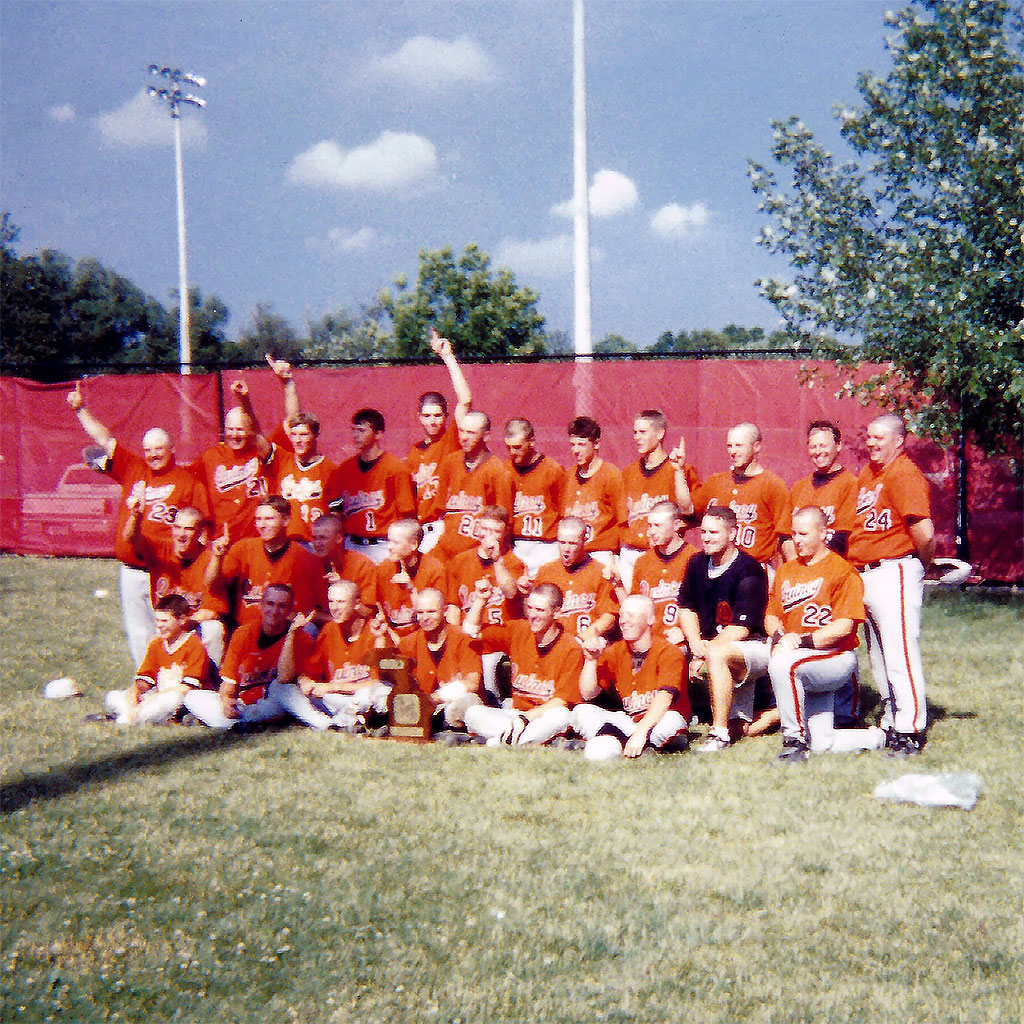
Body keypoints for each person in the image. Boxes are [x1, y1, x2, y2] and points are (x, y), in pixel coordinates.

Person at [66, 380, 210, 665]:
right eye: (149, 450)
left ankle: (175, 686)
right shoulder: (134, 468)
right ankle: (145, 684)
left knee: (168, 628)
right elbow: (105, 440)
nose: (153, 454)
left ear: (171, 449)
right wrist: (81, 409)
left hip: (166, 568)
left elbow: (202, 529)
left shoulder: (188, 482)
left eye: (159, 449)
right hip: (131, 568)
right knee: (137, 632)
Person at [765, 506, 883, 763]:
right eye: (794, 534)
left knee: (783, 663)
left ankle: (793, 741)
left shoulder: (842, 570)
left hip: (835, 657)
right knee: (821, 743)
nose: (796, 540)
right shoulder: (786, 570)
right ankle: (876, 738)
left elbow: (844, 627)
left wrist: (801, 641)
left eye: (804, 534)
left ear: (823, 534)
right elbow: (771, 615)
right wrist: (780, 635)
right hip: (805, 658)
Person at [848, 414, 934, 755]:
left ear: (899, 440)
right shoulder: (870, 473)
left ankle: (911, 728)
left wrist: (919, 567)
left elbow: (924, 533)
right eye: (869, 437)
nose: (871, 443)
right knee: (879, 654)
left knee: (899, 651)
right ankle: (893, 717)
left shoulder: (903, 472)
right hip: (868, 572)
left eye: (879, 437)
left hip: (894, 568)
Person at [677, 506, 773, 751]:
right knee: (741, 729)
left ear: (732, 534)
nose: (706, 538)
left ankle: (718, 734)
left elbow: (741, 629)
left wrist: (704, 652)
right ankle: (676, 717)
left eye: (714, 532)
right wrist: (694, 643)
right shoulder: (697, 562)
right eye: (704, 532)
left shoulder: (749, 569)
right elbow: (686, 608)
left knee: (718, 655)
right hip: (713, 645)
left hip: (753, 647)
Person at [183, 584, 328, 730]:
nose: (274, 611)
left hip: (273, 703)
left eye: (282, 606)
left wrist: (291, 635)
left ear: (290, 610)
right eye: (270, 604)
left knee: (282, 691)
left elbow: (285, 678)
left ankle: (239, 724)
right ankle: (241, 725)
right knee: (192, 697)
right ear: (261, 605)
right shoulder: (243, 633)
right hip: (244, 704)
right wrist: (226, 701)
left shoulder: (300, 638)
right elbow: (228, 682)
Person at [462, 582, 583, 746]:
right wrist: (481, 600)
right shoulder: (518, 630)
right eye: (530, 608)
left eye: (540, 610)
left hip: (543, 717)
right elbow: (471, 631)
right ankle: (516, 739)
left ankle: (500, 741)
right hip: (515, 716)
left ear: (556, 612)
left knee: (561, 715)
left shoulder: (571, 647)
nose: (532, 615)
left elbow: (562, 701)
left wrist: (526, 719)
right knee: (472, 713)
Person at [571, 595, 691, 760]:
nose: (623, 621)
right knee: (581, 711)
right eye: (622, 615)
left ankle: (627, 743)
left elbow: (664, 699)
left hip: (659, 719)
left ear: (650, 619)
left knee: (671, 722)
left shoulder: (669, 652)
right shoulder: (616, 650)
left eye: (631, 615)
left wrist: (641, 732)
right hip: (630, 722)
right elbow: (588, 694)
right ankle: (636, 746)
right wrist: (591, 661)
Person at [124, 500, 228, 665]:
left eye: (188, 529)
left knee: (213, 629)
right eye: (177, 527)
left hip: (192, 628)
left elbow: (213, 611)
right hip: (163, 626)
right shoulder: (161, 549)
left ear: (200, 532)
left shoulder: (209, 558)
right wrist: (135, 516)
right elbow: (131, 538)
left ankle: (212, 685)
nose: (181, 534)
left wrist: (180, 625)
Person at [277, 580, 387, 730]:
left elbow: (377, 683)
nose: (334, 608)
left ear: (356, 604)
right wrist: (306, 682)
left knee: (376, 693)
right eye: (331, 602)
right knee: (281, 689)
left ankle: (346, 719)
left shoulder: (374, 630)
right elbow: (310, 672)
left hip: (363, 697)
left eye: (341, 602)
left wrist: (332, 687)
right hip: (336, 700)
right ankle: (331, 725)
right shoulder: (329, 630)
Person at [205, 495, 323, 628]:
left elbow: (316, 610)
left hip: (288, 632)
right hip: (247, 630)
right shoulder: (243, 548)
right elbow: (213, 585)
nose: (262, 525)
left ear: (286, 520)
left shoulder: (305, 559)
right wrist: (217, 557)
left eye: (269, 519)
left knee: (309, 629)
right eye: (258, 519)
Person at [691, 422, 794, 574]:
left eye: (739, 445)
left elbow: (785, 536)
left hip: (755, 568)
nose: (733, 451)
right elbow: (688, 511)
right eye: (729, 446)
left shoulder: (773, 485)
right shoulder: (716, 482)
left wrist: (790, 574)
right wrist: (679, 472)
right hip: (717, 567)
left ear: (756, 447)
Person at [447, 505, 525, 700]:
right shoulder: (460, 560)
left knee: (490, 687)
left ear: (505, 532)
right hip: (469, 639)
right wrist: (454, 640)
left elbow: (510, 592)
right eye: (486, 529)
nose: (489, 536)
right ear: (477, 528)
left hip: (498, 641)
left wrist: (497, 560)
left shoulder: (513, 562)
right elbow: (453, 606)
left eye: (496, 531)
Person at [406, 329, 473, 553]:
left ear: (445, 416)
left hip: (445, 525)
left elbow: (465, 400)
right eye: (427, 416)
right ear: (419, 418)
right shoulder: (415, 452)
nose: (432, 421)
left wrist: (448, 357)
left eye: (437, 415)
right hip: (422, 529)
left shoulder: (451, 439)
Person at [104, 594, 217, 725]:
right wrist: (134, 693)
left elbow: (187, 687)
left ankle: (129, 718)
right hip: (157, 697)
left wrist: (152, 698)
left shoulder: (194, 645)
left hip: (180, 700)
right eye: (157, 620)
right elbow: (145, 679)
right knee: (113, 696)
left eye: (164, 621)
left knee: (171, 699)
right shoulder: (156, 644)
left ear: (182, 620)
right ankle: (134, 715)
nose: (159, 625)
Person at [620, 409, 698, 589]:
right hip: (630, 552)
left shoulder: (678, 470)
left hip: (661, 553)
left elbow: (693, 513)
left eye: (643, 432)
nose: (637, 437)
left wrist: (673, 533)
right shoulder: (629, 472)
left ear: (660, 433)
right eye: (635, 432)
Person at [327, 408, 416, 565]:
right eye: (354, 430)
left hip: (383, 546)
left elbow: (407, 516)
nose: (356, 435)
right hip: (352, 544)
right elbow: (335, 511)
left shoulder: (396, 469)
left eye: (362, 430)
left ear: (378, 434)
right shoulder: (344, 470)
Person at [190, 382, 276, 543]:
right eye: (230, 429)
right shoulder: (210, 457)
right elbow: (188, 483)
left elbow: (262, 433)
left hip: (257, 542)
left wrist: (244, 399)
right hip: (222, 541)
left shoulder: (262, 455)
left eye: (240, 429)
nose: (235, 435)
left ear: (250, 431)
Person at [392, 588, 484, 732]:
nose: (425, 618)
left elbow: (472, 683)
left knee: (467, 701)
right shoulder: (408, 643)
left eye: (431, 612)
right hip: (421, 705)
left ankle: (448, 729)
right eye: (420, 613)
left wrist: (438, 696)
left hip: (451, 703)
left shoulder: (463, 639)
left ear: (445, 611)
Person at [434, 410, 513, 560]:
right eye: (461, 431)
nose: (464, 438)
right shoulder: (449, 463)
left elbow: (503, 525)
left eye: (471, 433)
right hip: (444, 551)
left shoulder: (498, 471)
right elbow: (440, 511)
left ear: (486, 435)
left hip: (475, 554)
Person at [533, 516, 617, 649]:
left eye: (573, 543)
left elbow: (609, 617)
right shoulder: (546, 572)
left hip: (587, 645)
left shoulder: (600, 572)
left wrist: (581, 639)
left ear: (584, 541)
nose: (566, 549)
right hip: (553, 646)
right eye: (562, 542)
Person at [561, 416, 626, 572]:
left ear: (596, 444)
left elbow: (622, 522)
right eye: (573, 444)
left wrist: (616, 556)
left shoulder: (611, 475)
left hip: (601, 552)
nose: (576, 450)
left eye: (582, 444)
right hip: (573, 553)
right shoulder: (568, 476)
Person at [626, 501, 696, 644]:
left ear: (676, 525)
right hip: (651, 642)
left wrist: (685, 632)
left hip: (683, 640)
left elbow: (705, 606)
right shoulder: (642, 562)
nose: (651, 531)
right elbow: (635, 609)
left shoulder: (695, 558)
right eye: (650, 525)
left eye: (658, 525)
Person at [503, 418, 566, 576]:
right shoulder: (504, 470)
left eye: (517, 447)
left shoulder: (552, 470)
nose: (512, 452)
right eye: (508, 447)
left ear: (531, 441)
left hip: (545, 546)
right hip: (515, 545)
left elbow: (563, 512)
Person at [790, 420, 857, 556]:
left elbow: (842, 538)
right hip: (798, 569)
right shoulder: (799, 487)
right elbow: (785, 536)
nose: (818, 452)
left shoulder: (851, 484)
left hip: (832, 566)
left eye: (823, 446)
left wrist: (816, 567)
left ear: (838, 446)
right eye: (813, 447)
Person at [374, 518, 449, 637]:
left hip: (423, 637)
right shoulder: (383, 569)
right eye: (389, 541)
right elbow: (374, 610)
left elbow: (437, 618)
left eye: (396, 542)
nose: (389, 547)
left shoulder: (434, 569)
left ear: (414, 544)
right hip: (391, 636)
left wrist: (411, 589)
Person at [309, 513, 376, 610]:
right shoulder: (309, 563)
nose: (317, 543)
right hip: (323, 623)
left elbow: (368, 611)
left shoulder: (361, 564)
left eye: (323, 538)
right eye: (314, 538)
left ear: (339, 538)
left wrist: (343, 588)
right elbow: (304, 612)